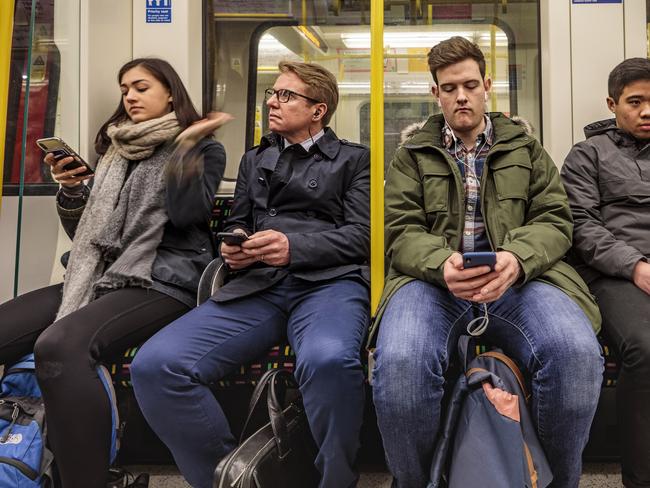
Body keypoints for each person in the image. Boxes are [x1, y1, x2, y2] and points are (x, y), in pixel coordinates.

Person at [370, 36, 603, 488]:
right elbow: (399, 232)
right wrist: (442, 264)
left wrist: (516, 258)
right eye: (449, 87)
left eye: (471, 85)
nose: (461, 96)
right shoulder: (410, 156)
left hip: (521, 282)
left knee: (575, 355)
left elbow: (555, 219)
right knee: (400, 366)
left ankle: (552, 482)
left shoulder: (527, 149)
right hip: (434, 286)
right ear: (435, 93)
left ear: (487, 86)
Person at [131, 61, 370, 488]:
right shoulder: (255, 158)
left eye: (286, 95)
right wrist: (235, 246)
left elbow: (362, 237)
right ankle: (236, 478)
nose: (273, 103)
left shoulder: (355, 160)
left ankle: (335, 480)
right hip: (260, 285)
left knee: (329, 360)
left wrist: (292, 247)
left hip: (329, 284)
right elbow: (240, 220)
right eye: (271, 94)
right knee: (156, 365)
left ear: (318, 110)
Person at [0, 57, 229, 488]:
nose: (130, 96)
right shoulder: (115, 149)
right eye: (125, 89)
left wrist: (183, 152)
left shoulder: (202, 148)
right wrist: (71, 190)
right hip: (101, 276)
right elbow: (89, 235)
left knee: (60, 346)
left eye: (141, 87)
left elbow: (187, 215)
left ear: (169, 93)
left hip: (162, 279)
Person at [561, 57, 650, 488]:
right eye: (636, 102)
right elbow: (581, 226)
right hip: (615, 272)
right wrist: (636, 266)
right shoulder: (588, 156)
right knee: (646, 348)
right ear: (612, 104)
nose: (647, 111)